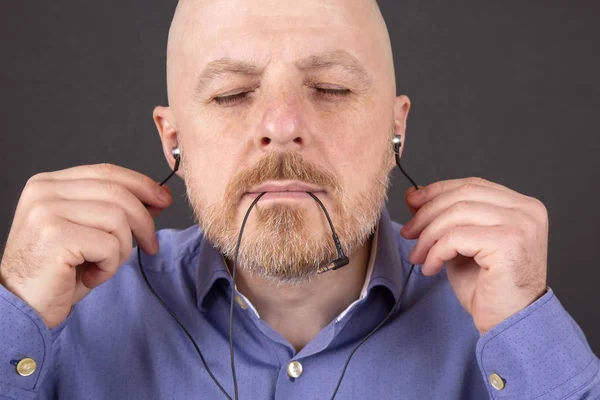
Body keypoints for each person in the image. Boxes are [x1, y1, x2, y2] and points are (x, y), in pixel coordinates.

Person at [0, 0, 598, 398]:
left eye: (331, 88)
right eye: (233, 94)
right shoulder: (69, 312)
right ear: (173, 139)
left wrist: (526, 331)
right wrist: (13, 312)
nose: (282, 124)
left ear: (398, 132)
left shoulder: (502, 319)